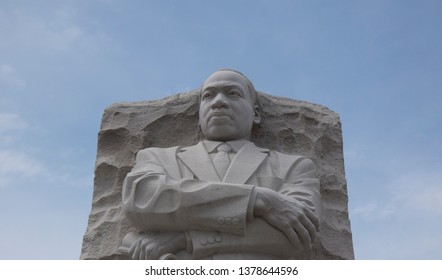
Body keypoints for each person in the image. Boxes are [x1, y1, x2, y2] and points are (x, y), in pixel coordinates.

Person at [119, 69, 322, 259]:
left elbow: (300, 234)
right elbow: (142, 200)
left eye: (233, 93)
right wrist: (259, 200)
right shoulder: (158, 158)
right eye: (208, 96)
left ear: (256, 113)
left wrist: (184, 239)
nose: (219, 102)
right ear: (198, 116)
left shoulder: (293, 166)